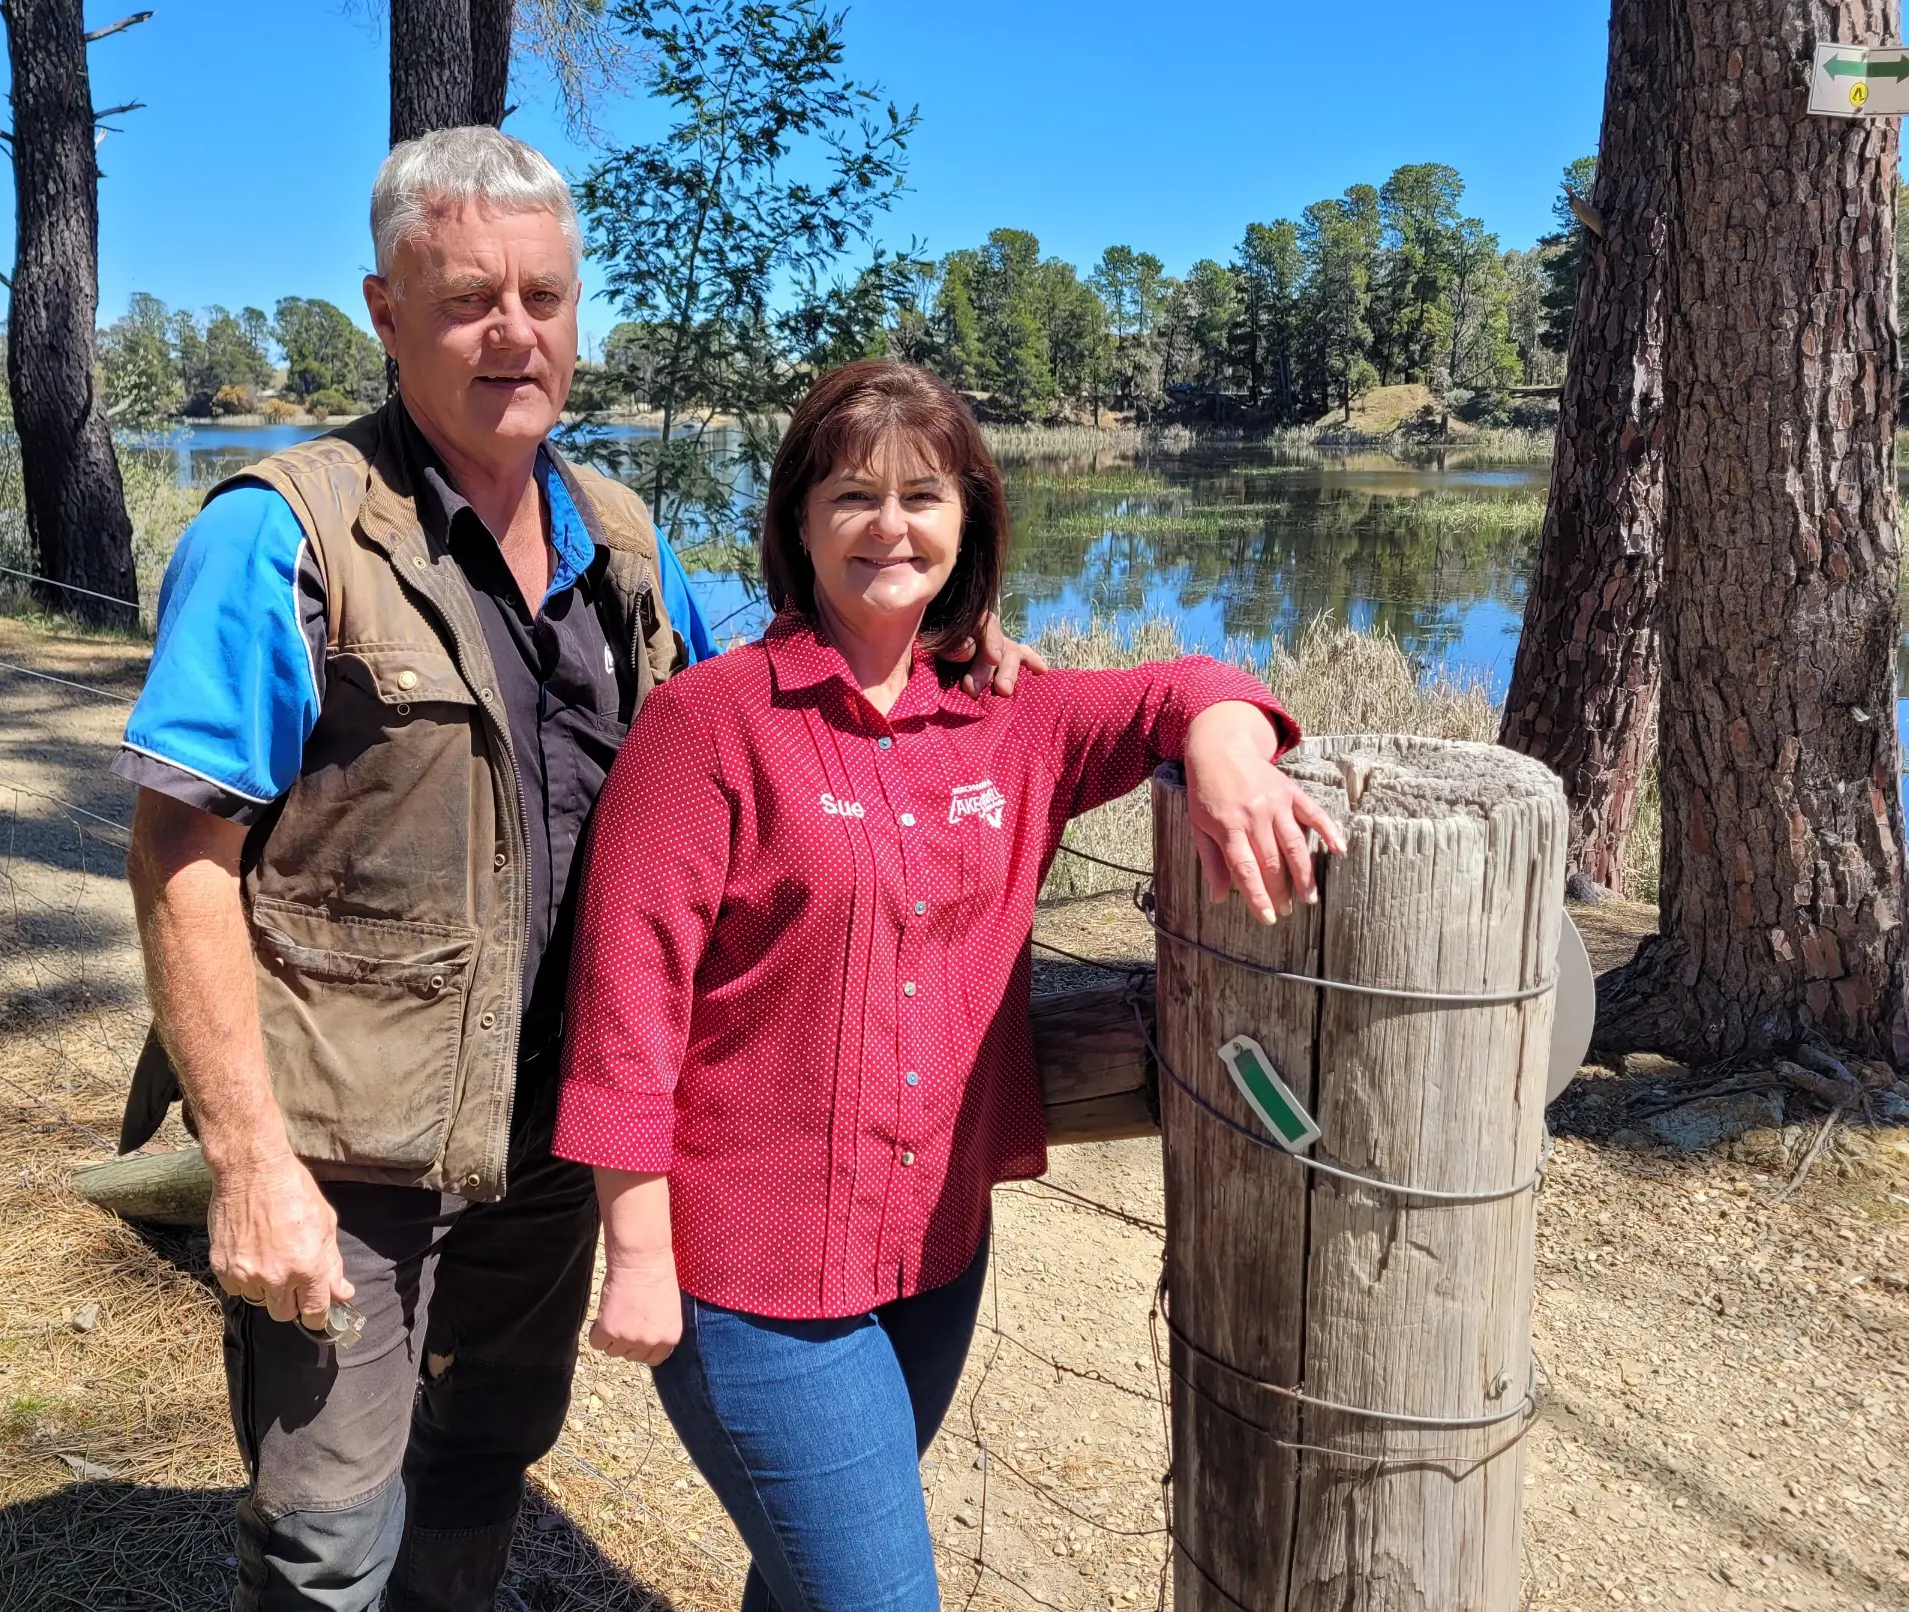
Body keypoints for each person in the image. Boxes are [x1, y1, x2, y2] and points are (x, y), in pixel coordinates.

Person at [115, 133, 1035, 1611]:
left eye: (542, 295)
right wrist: (248, 1163)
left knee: (481, 1459)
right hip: (347, 1148)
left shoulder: (617, 538)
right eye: (468, 295)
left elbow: (755, 720)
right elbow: (181, 859)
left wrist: (935, 647)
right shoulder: (278, 538)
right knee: (325, 1526)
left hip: (548, 1138)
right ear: (383, 307)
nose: (512, 332)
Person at [554, 360, 1346, 1612]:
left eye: (922, 493)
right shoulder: (710, 724)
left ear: (966, 517)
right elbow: (626, 1004)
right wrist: (637, 1252)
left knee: (805, 1579)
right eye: (851, 494)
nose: (889, 525)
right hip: (749, 1275)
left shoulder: (1006, 717)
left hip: (933, 1253)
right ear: (798, 523)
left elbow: (1179, 686)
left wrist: (1231, 748)